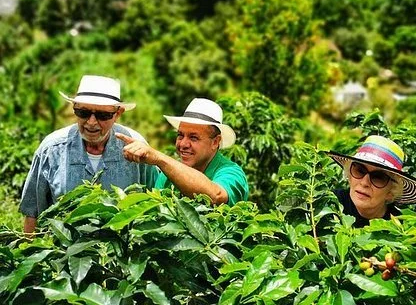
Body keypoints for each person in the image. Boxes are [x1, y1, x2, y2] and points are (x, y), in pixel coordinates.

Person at [20, 75, 158, 233]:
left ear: (118, 114)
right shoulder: (51, 149)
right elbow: (33, 213)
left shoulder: (136, 146)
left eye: (102, 115)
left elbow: (152, 201)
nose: (91, 122)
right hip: (64, 254)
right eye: (83, 113)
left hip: (121, 254)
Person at [116, 98, 249, 206]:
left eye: (193, 137)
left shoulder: (230, 172)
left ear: (215, 142)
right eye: (180, 135)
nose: (183, 144)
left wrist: (159, 158)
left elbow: (216, 196)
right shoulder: (167, 176)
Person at [328, 135, 416, 228]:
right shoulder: (328, 204)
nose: (364, 183)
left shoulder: (400, 228)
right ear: (350, 175)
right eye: (359, 170)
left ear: (391, 191)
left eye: (378, 177)